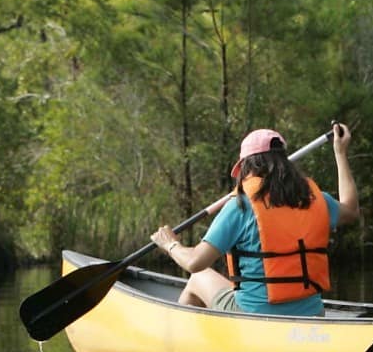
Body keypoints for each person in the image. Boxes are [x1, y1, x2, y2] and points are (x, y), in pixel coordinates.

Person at [151, 123, 359, 317]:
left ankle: (186, 347)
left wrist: (170, 244)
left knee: (198, 278)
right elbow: (351, 210)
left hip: (255, 316)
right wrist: (340, 153)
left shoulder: (241, 205)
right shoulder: (315, 198)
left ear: (247, 167)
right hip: (311, 314)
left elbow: (195, 262)